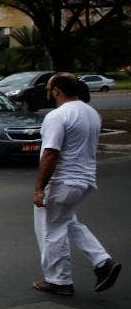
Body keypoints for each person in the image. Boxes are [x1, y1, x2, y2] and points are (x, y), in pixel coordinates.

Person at [33, 73, 121, 295]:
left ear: (57, 91)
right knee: (67, 221)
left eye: (48, 89)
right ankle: (103, 262)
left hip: (62, 181)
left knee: (51, 230)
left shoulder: (58, 115)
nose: (47, 93)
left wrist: (39, 188)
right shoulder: (92, 114)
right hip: (85, 180)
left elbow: (51, 153)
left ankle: (59, 281)